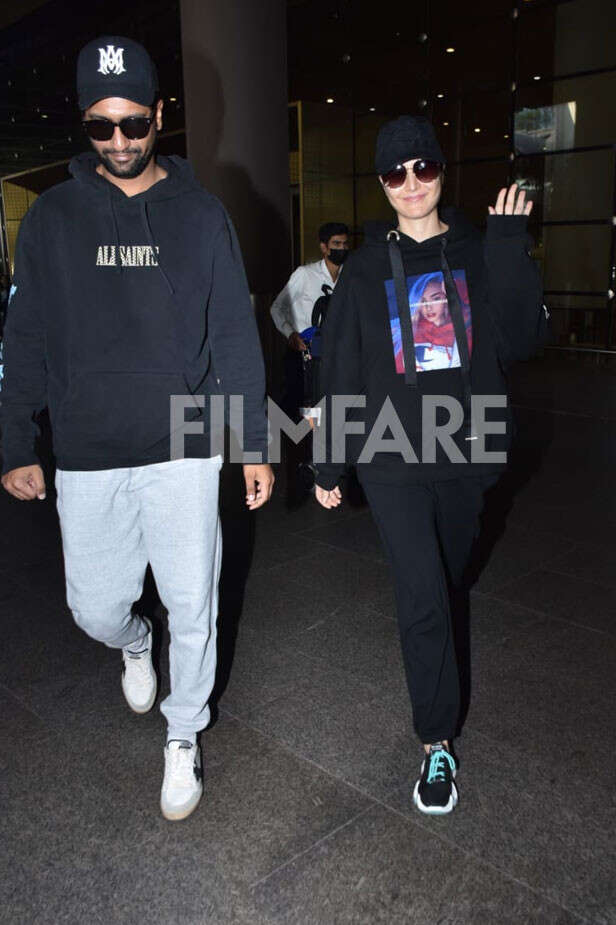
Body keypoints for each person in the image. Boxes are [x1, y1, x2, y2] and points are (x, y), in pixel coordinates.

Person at [0, 35, 274, 821]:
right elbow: (25, 337)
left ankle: (183, 732)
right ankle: (131, 640)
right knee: (95, 605)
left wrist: (251, 442)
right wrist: (16, 439)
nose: (119, 142)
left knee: (194, 601)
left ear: (161, 114)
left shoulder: (201, 216)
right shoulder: (51, 219)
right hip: (87, 447)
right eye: (100, 126)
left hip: (185, 441)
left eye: (133, 123)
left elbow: (232, 338)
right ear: (84, 125)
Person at [314, 114, 547, 815]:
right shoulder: (360, 269)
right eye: (394, 173)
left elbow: (524, 338)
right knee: (420, 595)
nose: (411, 184)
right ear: (382, 185)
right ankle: (435, 741)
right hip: (391, 455)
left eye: (423, 168)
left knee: (448, 579)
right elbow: (342, 368)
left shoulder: (479, 249)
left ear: (441, 171)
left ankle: (438, 678)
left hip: (467, 450)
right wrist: (330, 462)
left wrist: (509, 245)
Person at [270, 222, 349, 419]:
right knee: (298, 405)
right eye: (336, 244)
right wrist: (290, 335)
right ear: (324, 247)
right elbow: (277, 307)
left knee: (327, 407)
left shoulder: (348, 276)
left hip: (333, 353)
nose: (342, 249)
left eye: (345, 244)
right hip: (303, 351)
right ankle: (290, 444)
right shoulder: (305, 274)